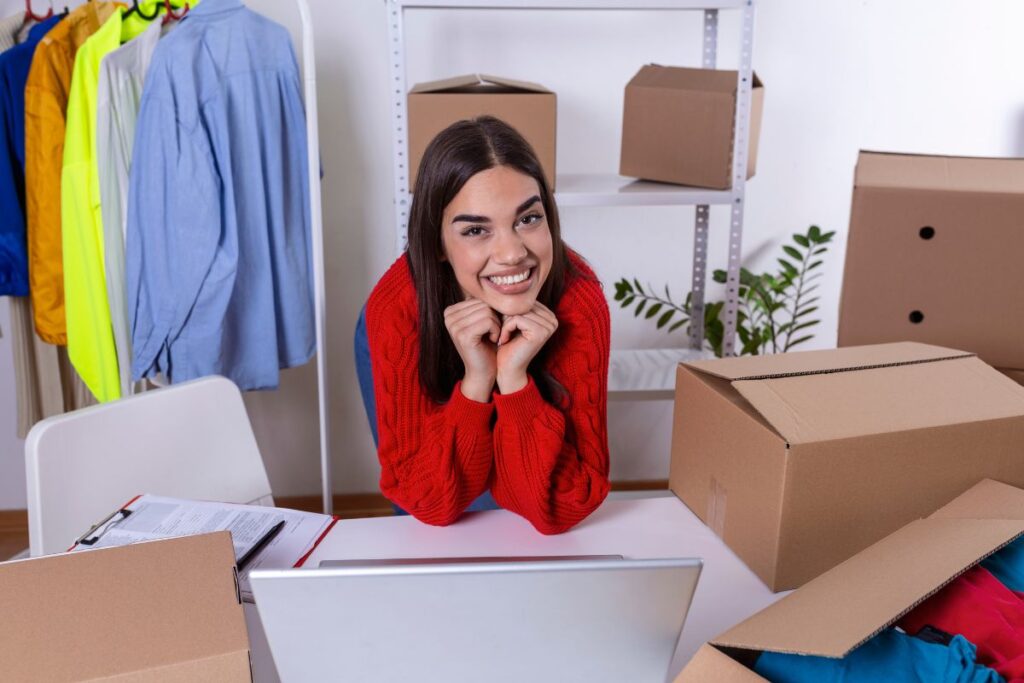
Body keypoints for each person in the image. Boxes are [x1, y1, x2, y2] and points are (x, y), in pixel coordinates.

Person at [365, 116, 610, 535]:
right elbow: (429, 501)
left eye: (528, 219)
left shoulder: (579, 302)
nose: (512, 253)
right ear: (438, 244)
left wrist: (513, 380)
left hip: (521, 380)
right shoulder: (397, 310)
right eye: (476, 229)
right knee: (438, 527)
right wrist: (477, 380)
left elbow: (564, 506)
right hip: (417, 334)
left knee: (508, 516)